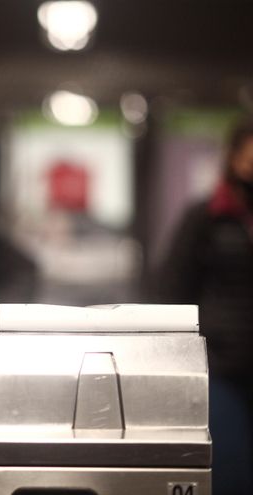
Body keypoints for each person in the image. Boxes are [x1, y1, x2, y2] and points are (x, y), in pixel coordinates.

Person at [155, 117, 253, 494]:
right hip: (220, 366)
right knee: (230, 471)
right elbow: (171, 288)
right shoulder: (206, 218)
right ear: (232, 160)